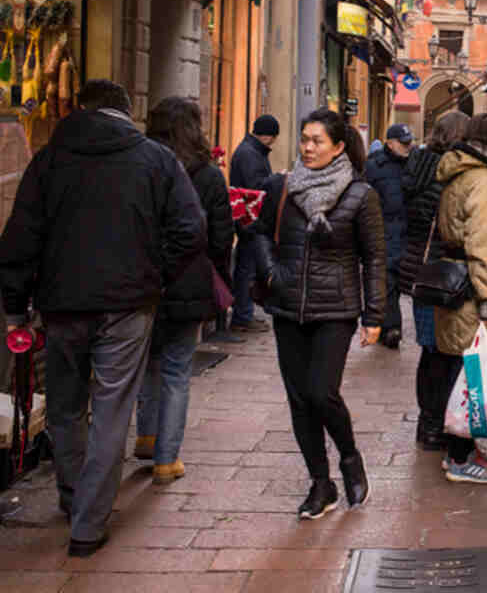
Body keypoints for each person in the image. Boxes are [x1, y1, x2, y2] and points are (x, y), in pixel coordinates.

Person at [0, 80, 204, 557]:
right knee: (112, 408)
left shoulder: (50, 159)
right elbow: (190, 229)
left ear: (83, 110)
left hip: (62, 302)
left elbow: (19, 237)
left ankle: (74, 492)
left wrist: (15, 308)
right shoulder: (156, 159)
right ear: (125, 111)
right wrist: (157, 273)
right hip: (130, 303)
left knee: (67, 404)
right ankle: (88, 524)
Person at [253, 107, 386, 519]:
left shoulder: (360, 195)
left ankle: (349, 457)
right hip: (288, 306)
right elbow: (259, 233)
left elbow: (375, 257)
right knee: (298, 399)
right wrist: (272, 273)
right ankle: (320, 483)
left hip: (337, 308)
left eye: (317, 141)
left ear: (339, 146)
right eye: (304, 139)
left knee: (321, 392)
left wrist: (375, 315)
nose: (307, 148)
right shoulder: (282, 186)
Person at [135, 97, 235, 485]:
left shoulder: (141, 166)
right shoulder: (207, 175)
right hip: (189, 282)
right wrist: (218, 277)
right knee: (177, 370)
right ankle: (166, 458)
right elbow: (222, 235)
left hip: (143, 281)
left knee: (147, 361)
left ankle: (146, 435)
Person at [430, 112, 487, 484]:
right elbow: (484, 247)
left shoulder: (465, 176)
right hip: (472, 295)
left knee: (464, 374)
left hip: (459, 290)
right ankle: (460, 459)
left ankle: (465, 451)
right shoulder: (484, 184)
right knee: (470, 378)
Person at [398, 112, 471, 451]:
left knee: (430, 351)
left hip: (417, 270)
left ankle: (427, 423)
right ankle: (434, 425)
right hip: (441, 273)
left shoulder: (417, 165)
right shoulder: (448, 174)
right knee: (442, 353)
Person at [228, 115, 279, 332]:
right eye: (274, 137)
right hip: (251, 220)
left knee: (248, 266)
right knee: (247, 268)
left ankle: (244, 313)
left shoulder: (252, 151)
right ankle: (242, 316)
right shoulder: (250, 154)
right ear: (267, 135)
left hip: (249, 219)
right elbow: (255, 187)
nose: (274, 142)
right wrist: (275, 182)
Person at [364, 123, 413, 348]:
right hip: (383, 232)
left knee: (399, 280)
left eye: (409, 142)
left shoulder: (414, 164)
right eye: (403, 143)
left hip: (407, 232)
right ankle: (392, 328)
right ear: (390, 143)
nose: (407, 147)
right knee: (387, 282)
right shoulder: (374, 166)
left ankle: (388, 327)